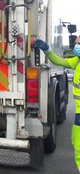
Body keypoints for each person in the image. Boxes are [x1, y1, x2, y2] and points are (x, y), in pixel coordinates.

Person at [34, 36, 80, 170]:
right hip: (78, 113)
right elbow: (58, 60)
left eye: (78, 43)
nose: (76, 45)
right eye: (76, 43)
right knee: (76, 144)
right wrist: (47, 49)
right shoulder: (77, 61)